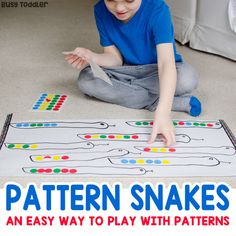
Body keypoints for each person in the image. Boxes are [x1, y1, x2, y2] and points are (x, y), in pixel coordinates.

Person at [64, 0, 202, 146]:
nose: (119, 7)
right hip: (126, 71)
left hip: (157, 70)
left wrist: (163, 113)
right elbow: (115, 59)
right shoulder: (100, 10)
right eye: (111, 0)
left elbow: (166, 63)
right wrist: (92, 57)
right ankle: (154, 102)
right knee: (86, 79)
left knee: (188, 77)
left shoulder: (158, 10)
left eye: (129, 0)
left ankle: (151, 101)